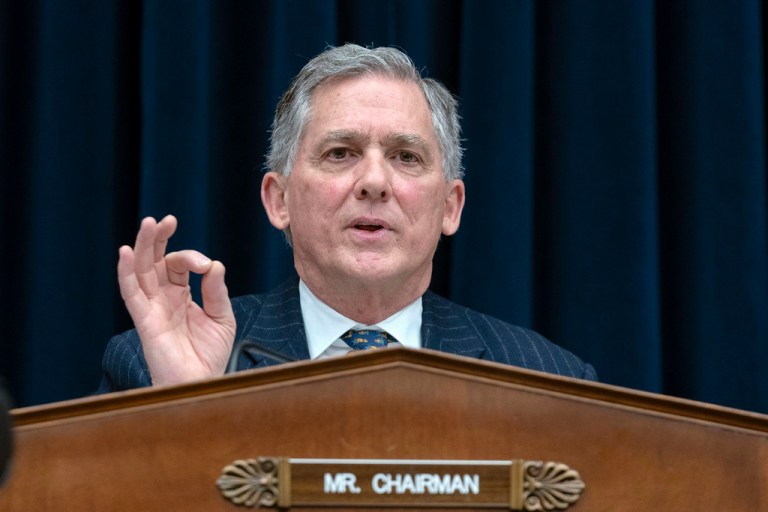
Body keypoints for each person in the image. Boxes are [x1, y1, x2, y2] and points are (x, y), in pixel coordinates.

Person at [98, 44, 596, 393]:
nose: (374, 181)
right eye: (340, 153)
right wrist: (190, 407)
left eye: (405, 156)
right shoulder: (149, 366)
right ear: (279, 200)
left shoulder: (548, 380)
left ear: (450, 207)